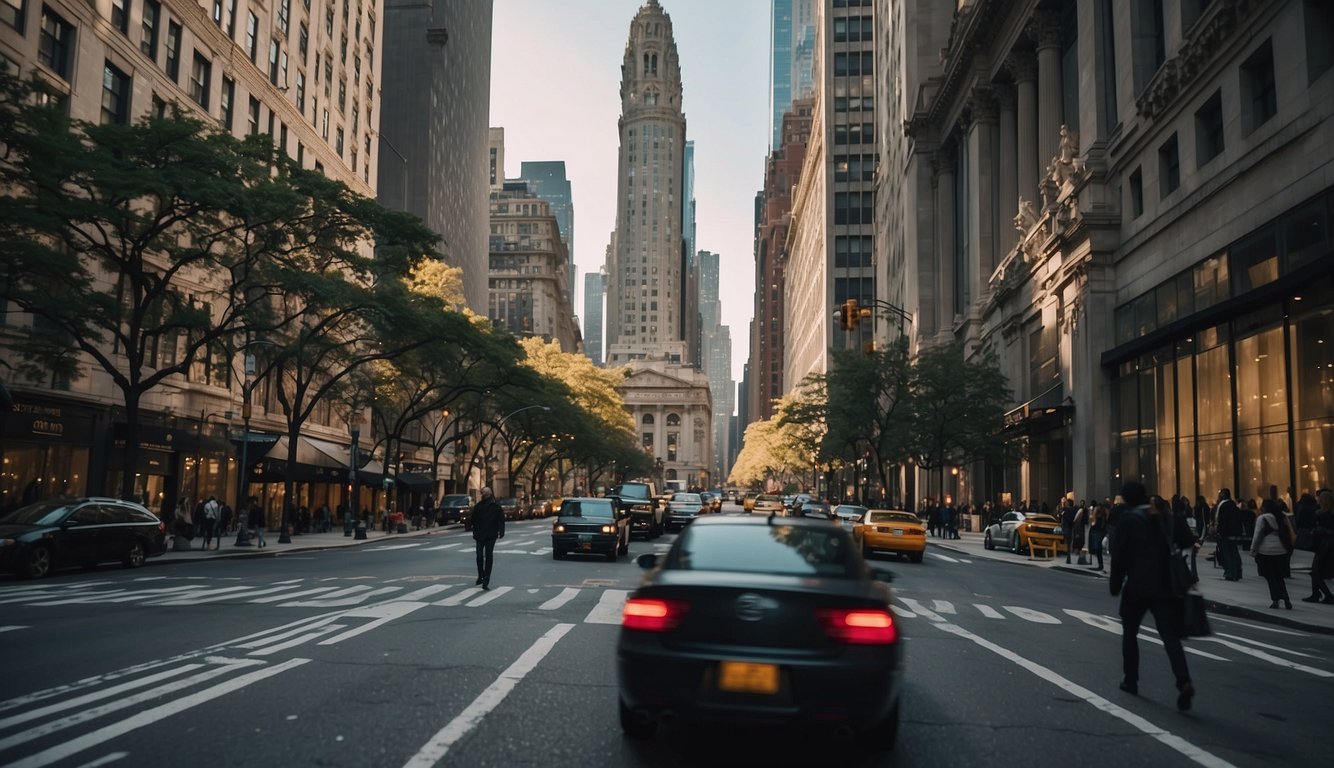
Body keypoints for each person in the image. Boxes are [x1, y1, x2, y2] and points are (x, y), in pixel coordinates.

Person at [1109, 483, 1196, 711]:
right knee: (1170, 637)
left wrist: (1115, 585)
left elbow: (1118, 556)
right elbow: (1188, 540)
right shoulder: (1167, 516)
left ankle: (1131, 680)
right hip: (1166, 585)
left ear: (1127, 500)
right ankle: (1184, 680)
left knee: (1130, 633)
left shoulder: (1128, 520)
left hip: (1137, 585)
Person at [1250, 498, 1294, 609]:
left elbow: (1257, 535)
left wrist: (1253, 549)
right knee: (1279, 576)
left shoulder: (1262, 518)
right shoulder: (1282, 517)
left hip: (1266, 551)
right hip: (1281, 550)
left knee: (1270, 577)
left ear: (1264, 508)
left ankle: (1275, 600)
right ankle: (1286, 599)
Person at [1302, 489, 1334, 604]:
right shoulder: (1319, 512)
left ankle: (1327, 595)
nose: (1318, 501)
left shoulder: (1330, 514)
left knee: (1316, 572)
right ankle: (1316, 594)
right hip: (1320, 544)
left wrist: (1321, 530)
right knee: (1315, 571)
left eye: (1321, 499)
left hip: (1327, 546)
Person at [471, 487, 505, 590]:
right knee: (479, 556)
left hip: (491, 535)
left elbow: (501, 520)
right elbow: (473, 519)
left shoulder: (496, 507)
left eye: (484, 493)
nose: (482, 494)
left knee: (488, 556)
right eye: (482, 493)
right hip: (479, 535)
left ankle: (486, 578)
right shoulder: (478, 506)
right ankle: (481, 575)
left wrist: (501, 531)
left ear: (489, 494)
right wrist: (474, 529)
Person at [1215, 488, 1244, 581]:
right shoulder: (1234, 505)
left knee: (1226, 554)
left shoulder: (1222, 505)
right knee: (1234, 552)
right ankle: (1237, 572)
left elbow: (1221, 521)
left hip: (1225, 534)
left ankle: (1230, 573)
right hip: (1233, 533)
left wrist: (1219, 532)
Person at [1088, 503, 1108, 571]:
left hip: (1095, 531)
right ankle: (1101, 565)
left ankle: (1100, 565)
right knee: (1099, 549)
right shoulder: (1104, 515)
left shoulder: (1096, 516)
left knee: (1097, 549)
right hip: (1102, 531)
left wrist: (1091, 512)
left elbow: (1092, 522)